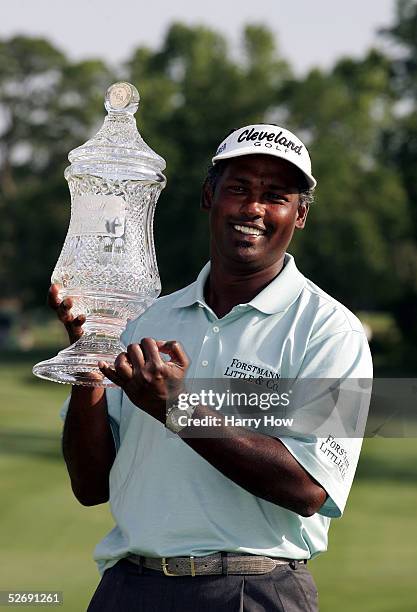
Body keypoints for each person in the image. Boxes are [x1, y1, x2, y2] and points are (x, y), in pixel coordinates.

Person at [51, 123, 372, 611]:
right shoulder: (144, 318)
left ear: (300, 214)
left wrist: (178, 408)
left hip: (252, 590)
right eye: (238, 188)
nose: (253, 209)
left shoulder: (333, 333)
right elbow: (90, 487)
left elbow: (311, 487)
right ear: (209, 195)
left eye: (276, 195)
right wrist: (89, 364)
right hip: (129, 587)